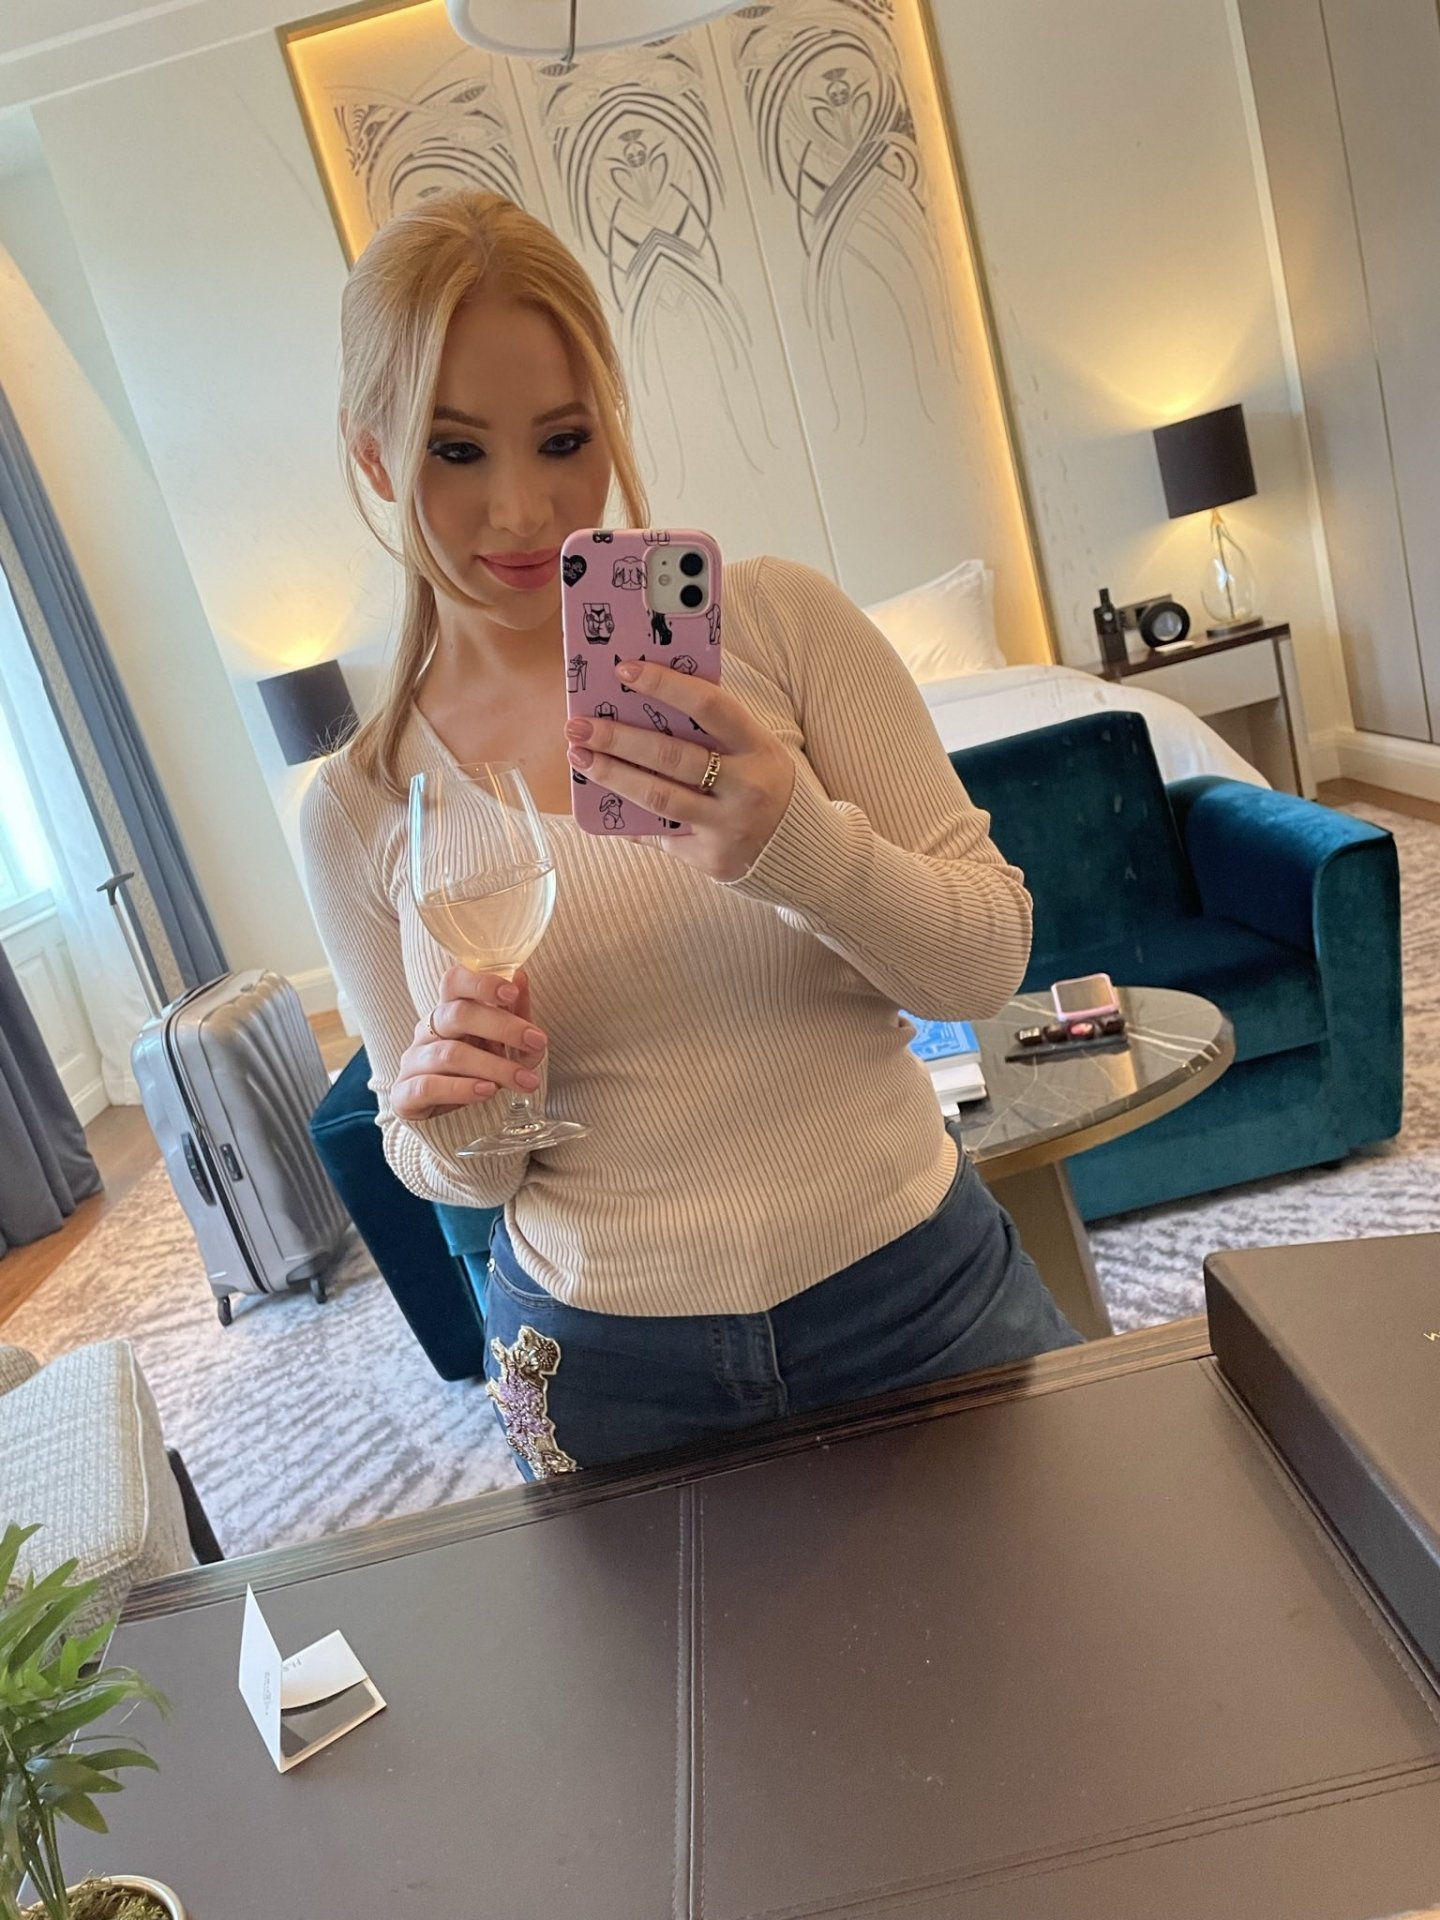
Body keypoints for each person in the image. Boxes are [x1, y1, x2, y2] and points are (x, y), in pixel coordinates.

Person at [300, 189, 1080, 1482]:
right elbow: (443, 1169)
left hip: (913, 1290)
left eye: (563, 439)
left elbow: (984, 964)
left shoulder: (777, 625)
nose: (521, 510)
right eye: (453, 450)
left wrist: (797, 848)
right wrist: (471, 1110)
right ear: (374, 458)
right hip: (602, 1368)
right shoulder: (362, 801)